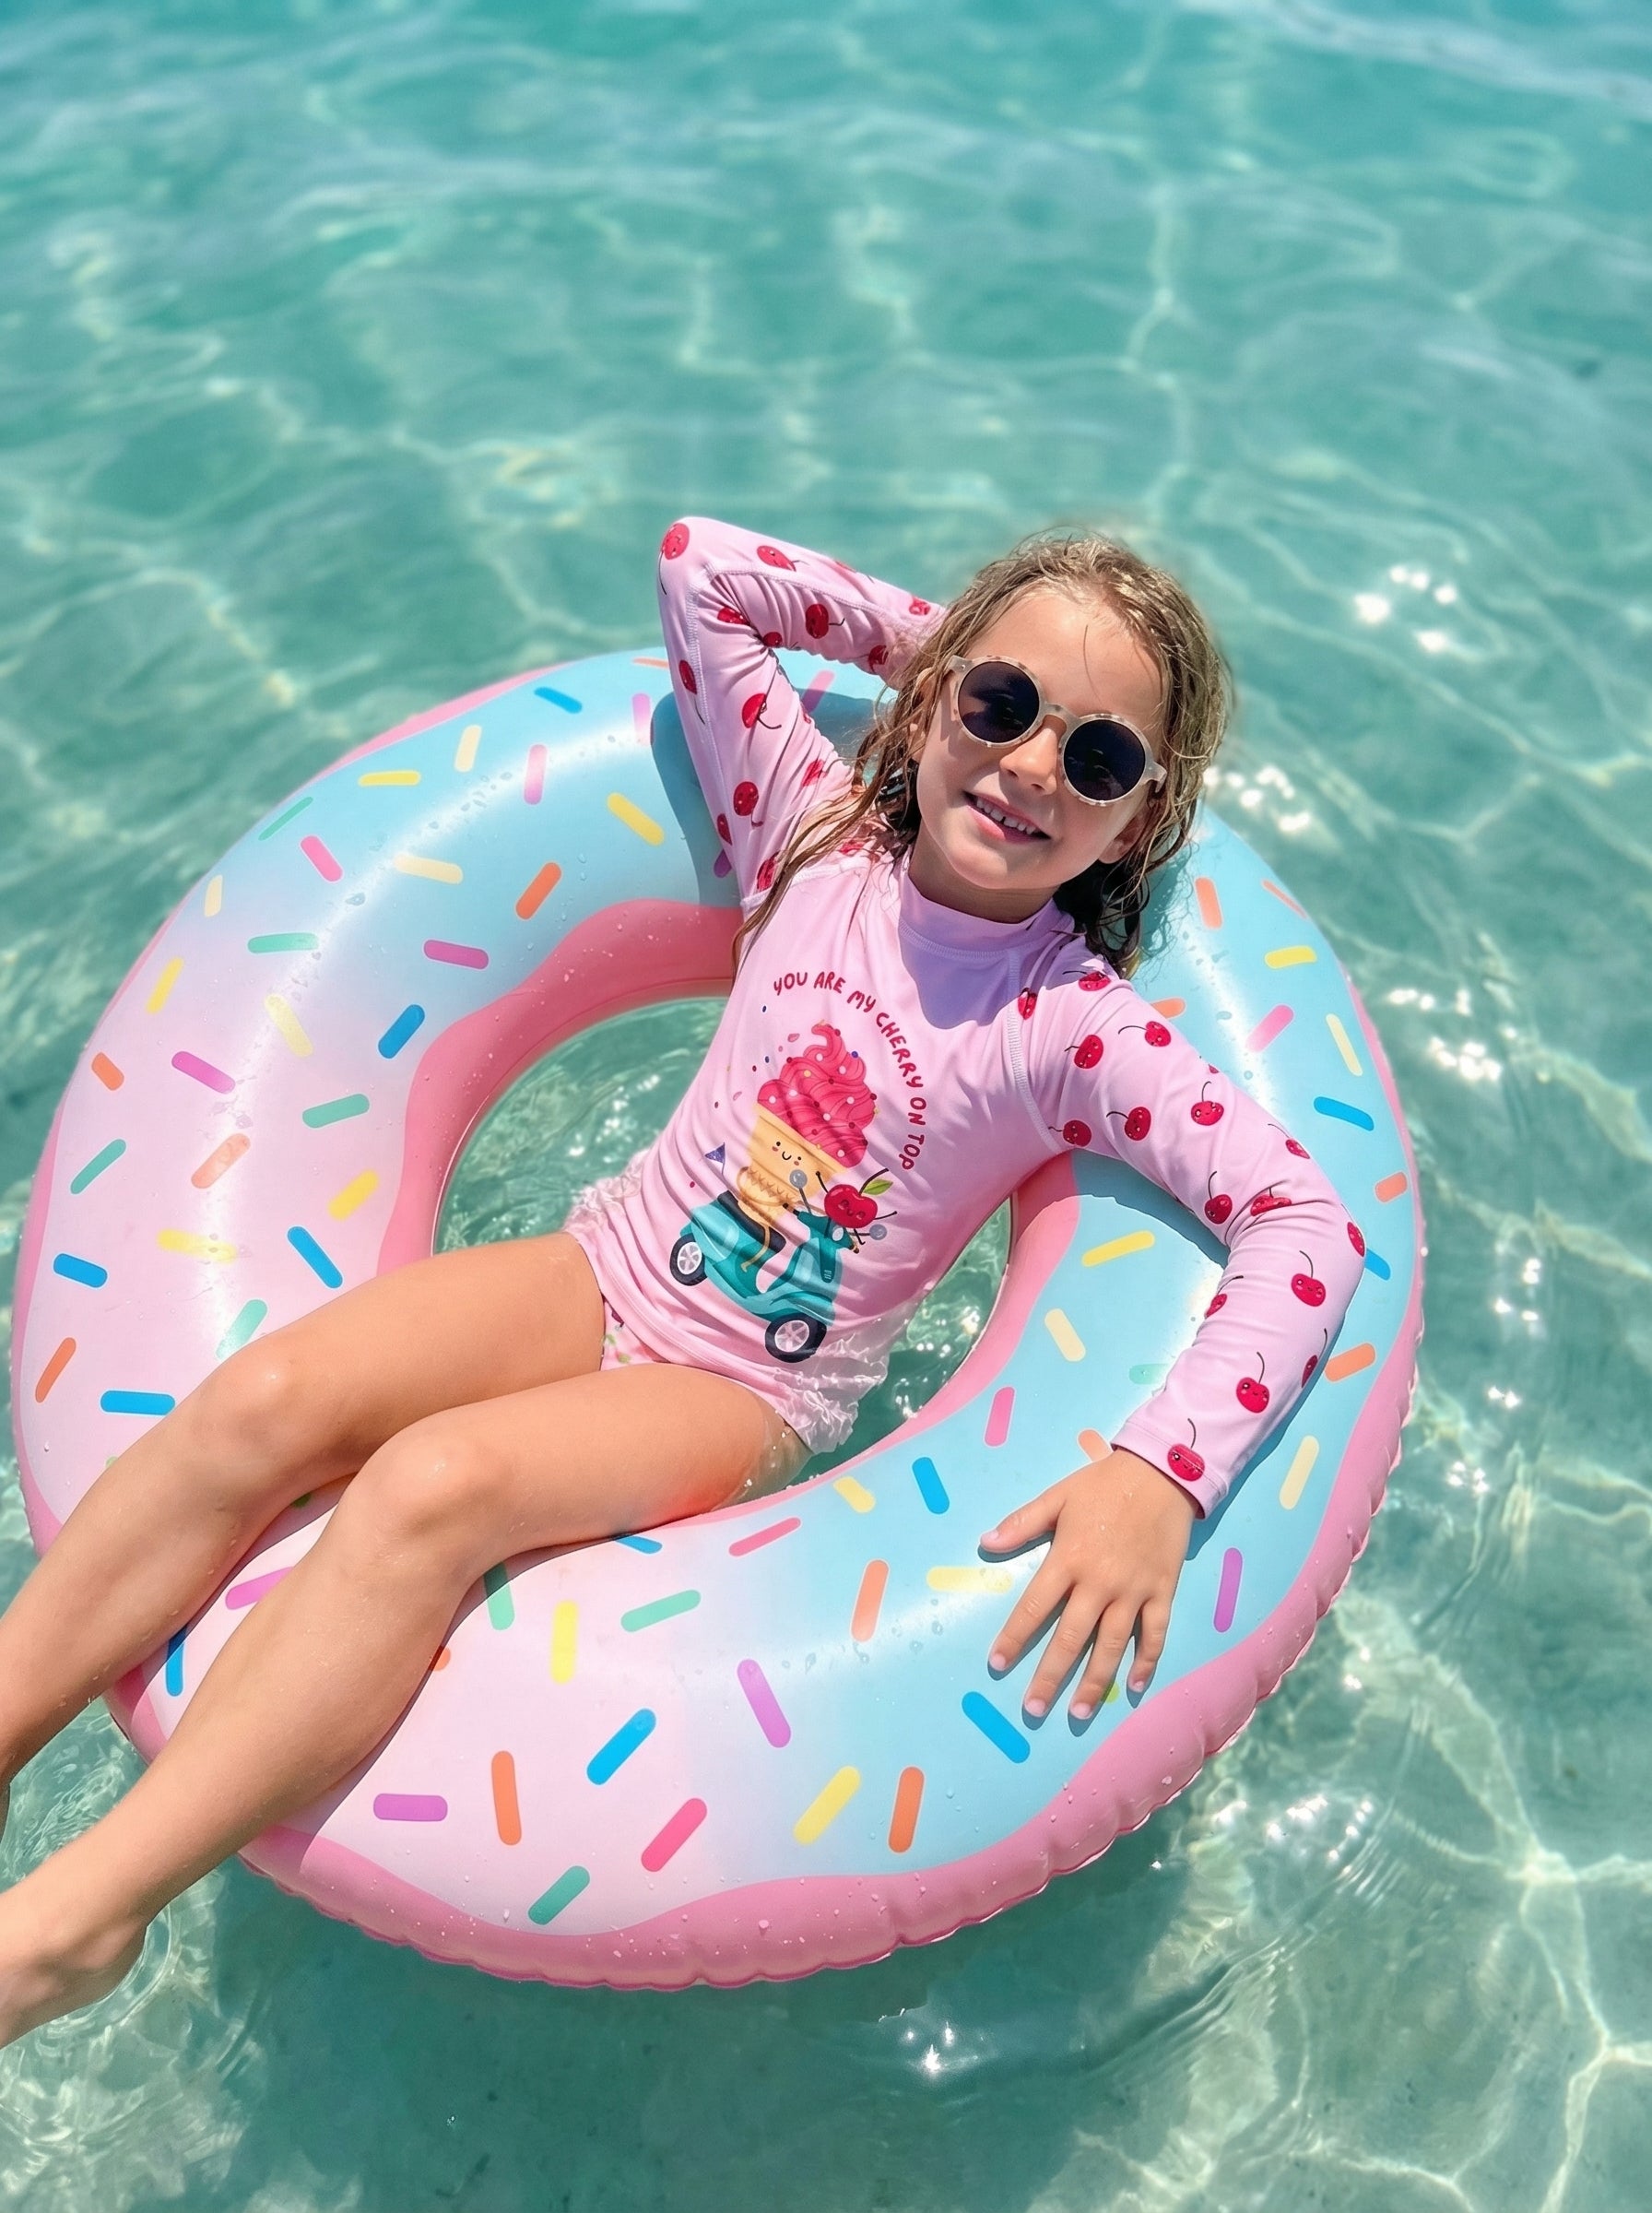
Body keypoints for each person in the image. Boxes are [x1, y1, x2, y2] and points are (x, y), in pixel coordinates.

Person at [0, 516, 1361, 2042]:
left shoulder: (1075, 1027)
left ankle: (79, 1919)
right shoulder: (811, 832)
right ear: (930, 707)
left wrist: (1157, 1472)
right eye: (1001, 706)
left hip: (736, 1387)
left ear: (1140, 818)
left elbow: (1308, 1224)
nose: (1034, 765)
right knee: (275, 1393)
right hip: (597, 1265)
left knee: (430, 1487)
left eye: (1098, 757)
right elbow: (702, 573)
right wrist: (954, 655)